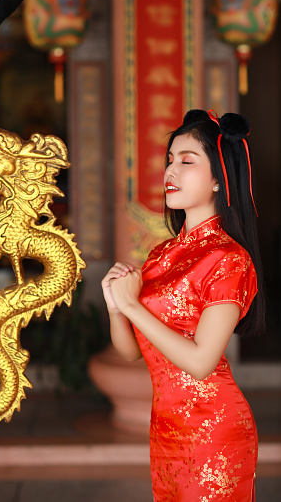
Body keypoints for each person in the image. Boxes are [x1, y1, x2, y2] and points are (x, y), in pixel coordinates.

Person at [101, 109, 265, 501]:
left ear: (217, 179)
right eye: (169, 160)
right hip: (167, 430)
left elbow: (200, 361)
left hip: (215, 430)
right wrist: (115, 306)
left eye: (187, 161)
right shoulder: (161, 255)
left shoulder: (229, 258)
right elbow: (131, 353)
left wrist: (134, 307)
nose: (171, 171)